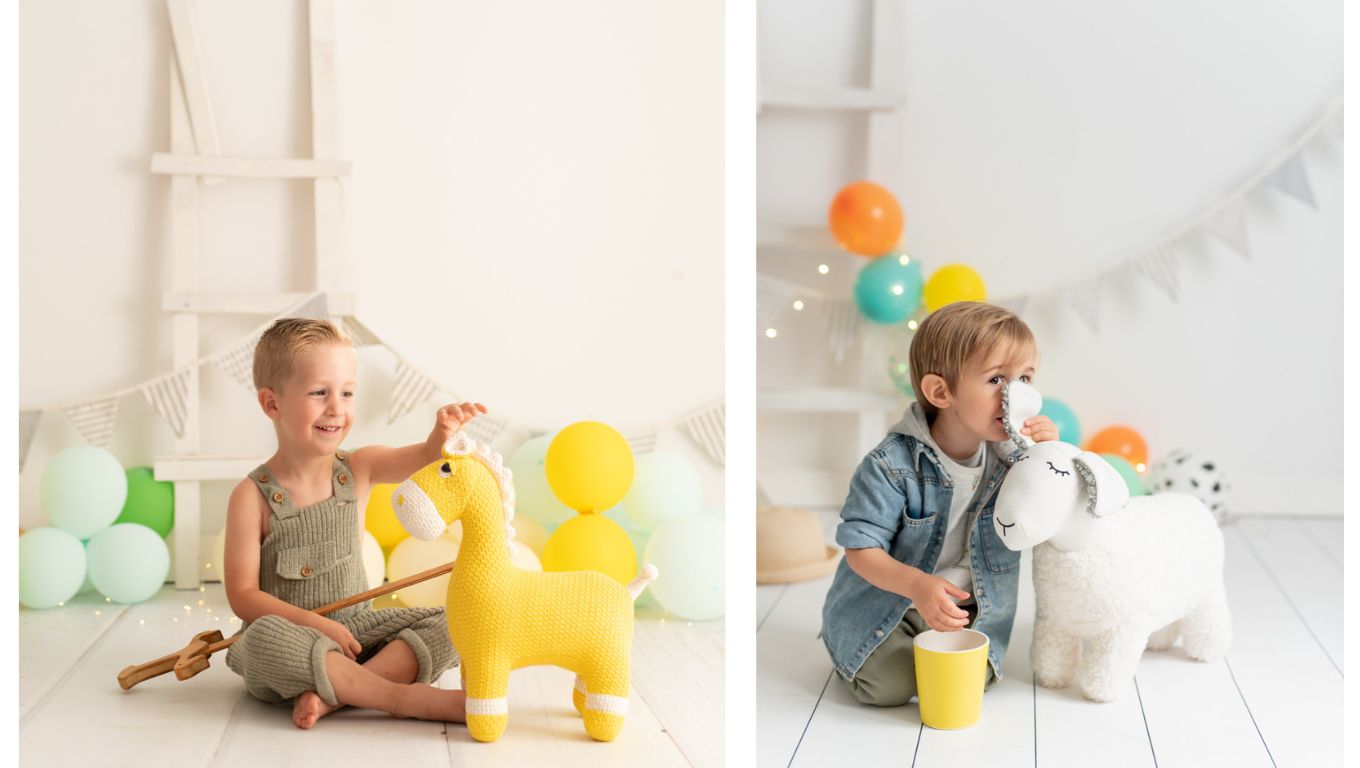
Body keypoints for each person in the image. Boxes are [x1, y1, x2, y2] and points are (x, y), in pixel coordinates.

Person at [223, 317, 485, 729]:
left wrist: (442, 435)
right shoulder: (251, 496)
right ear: (272, 403)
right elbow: (243, 597)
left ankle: (337, 697)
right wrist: (314, 623)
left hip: (358, 632)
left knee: (458, 620)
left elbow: (423, 457)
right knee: (256, 640)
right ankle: (399, 698)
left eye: (347, 393)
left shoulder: (359, 468)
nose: (337, 409)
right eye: (318, 393)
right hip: (293, 641)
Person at [821, 301, 1060, 707]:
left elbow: (1056, 507)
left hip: (969, 604)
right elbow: (860, 551)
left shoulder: (1013, 457)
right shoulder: (891, 465)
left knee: (972, 681)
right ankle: (857, 641)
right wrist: (917, 585)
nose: (1014, 394)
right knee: (887, 688)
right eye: (997, 379)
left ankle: (934, 644)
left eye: (1024, 378)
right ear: (941, 392)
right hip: (893, 598)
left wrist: (1049, 456)